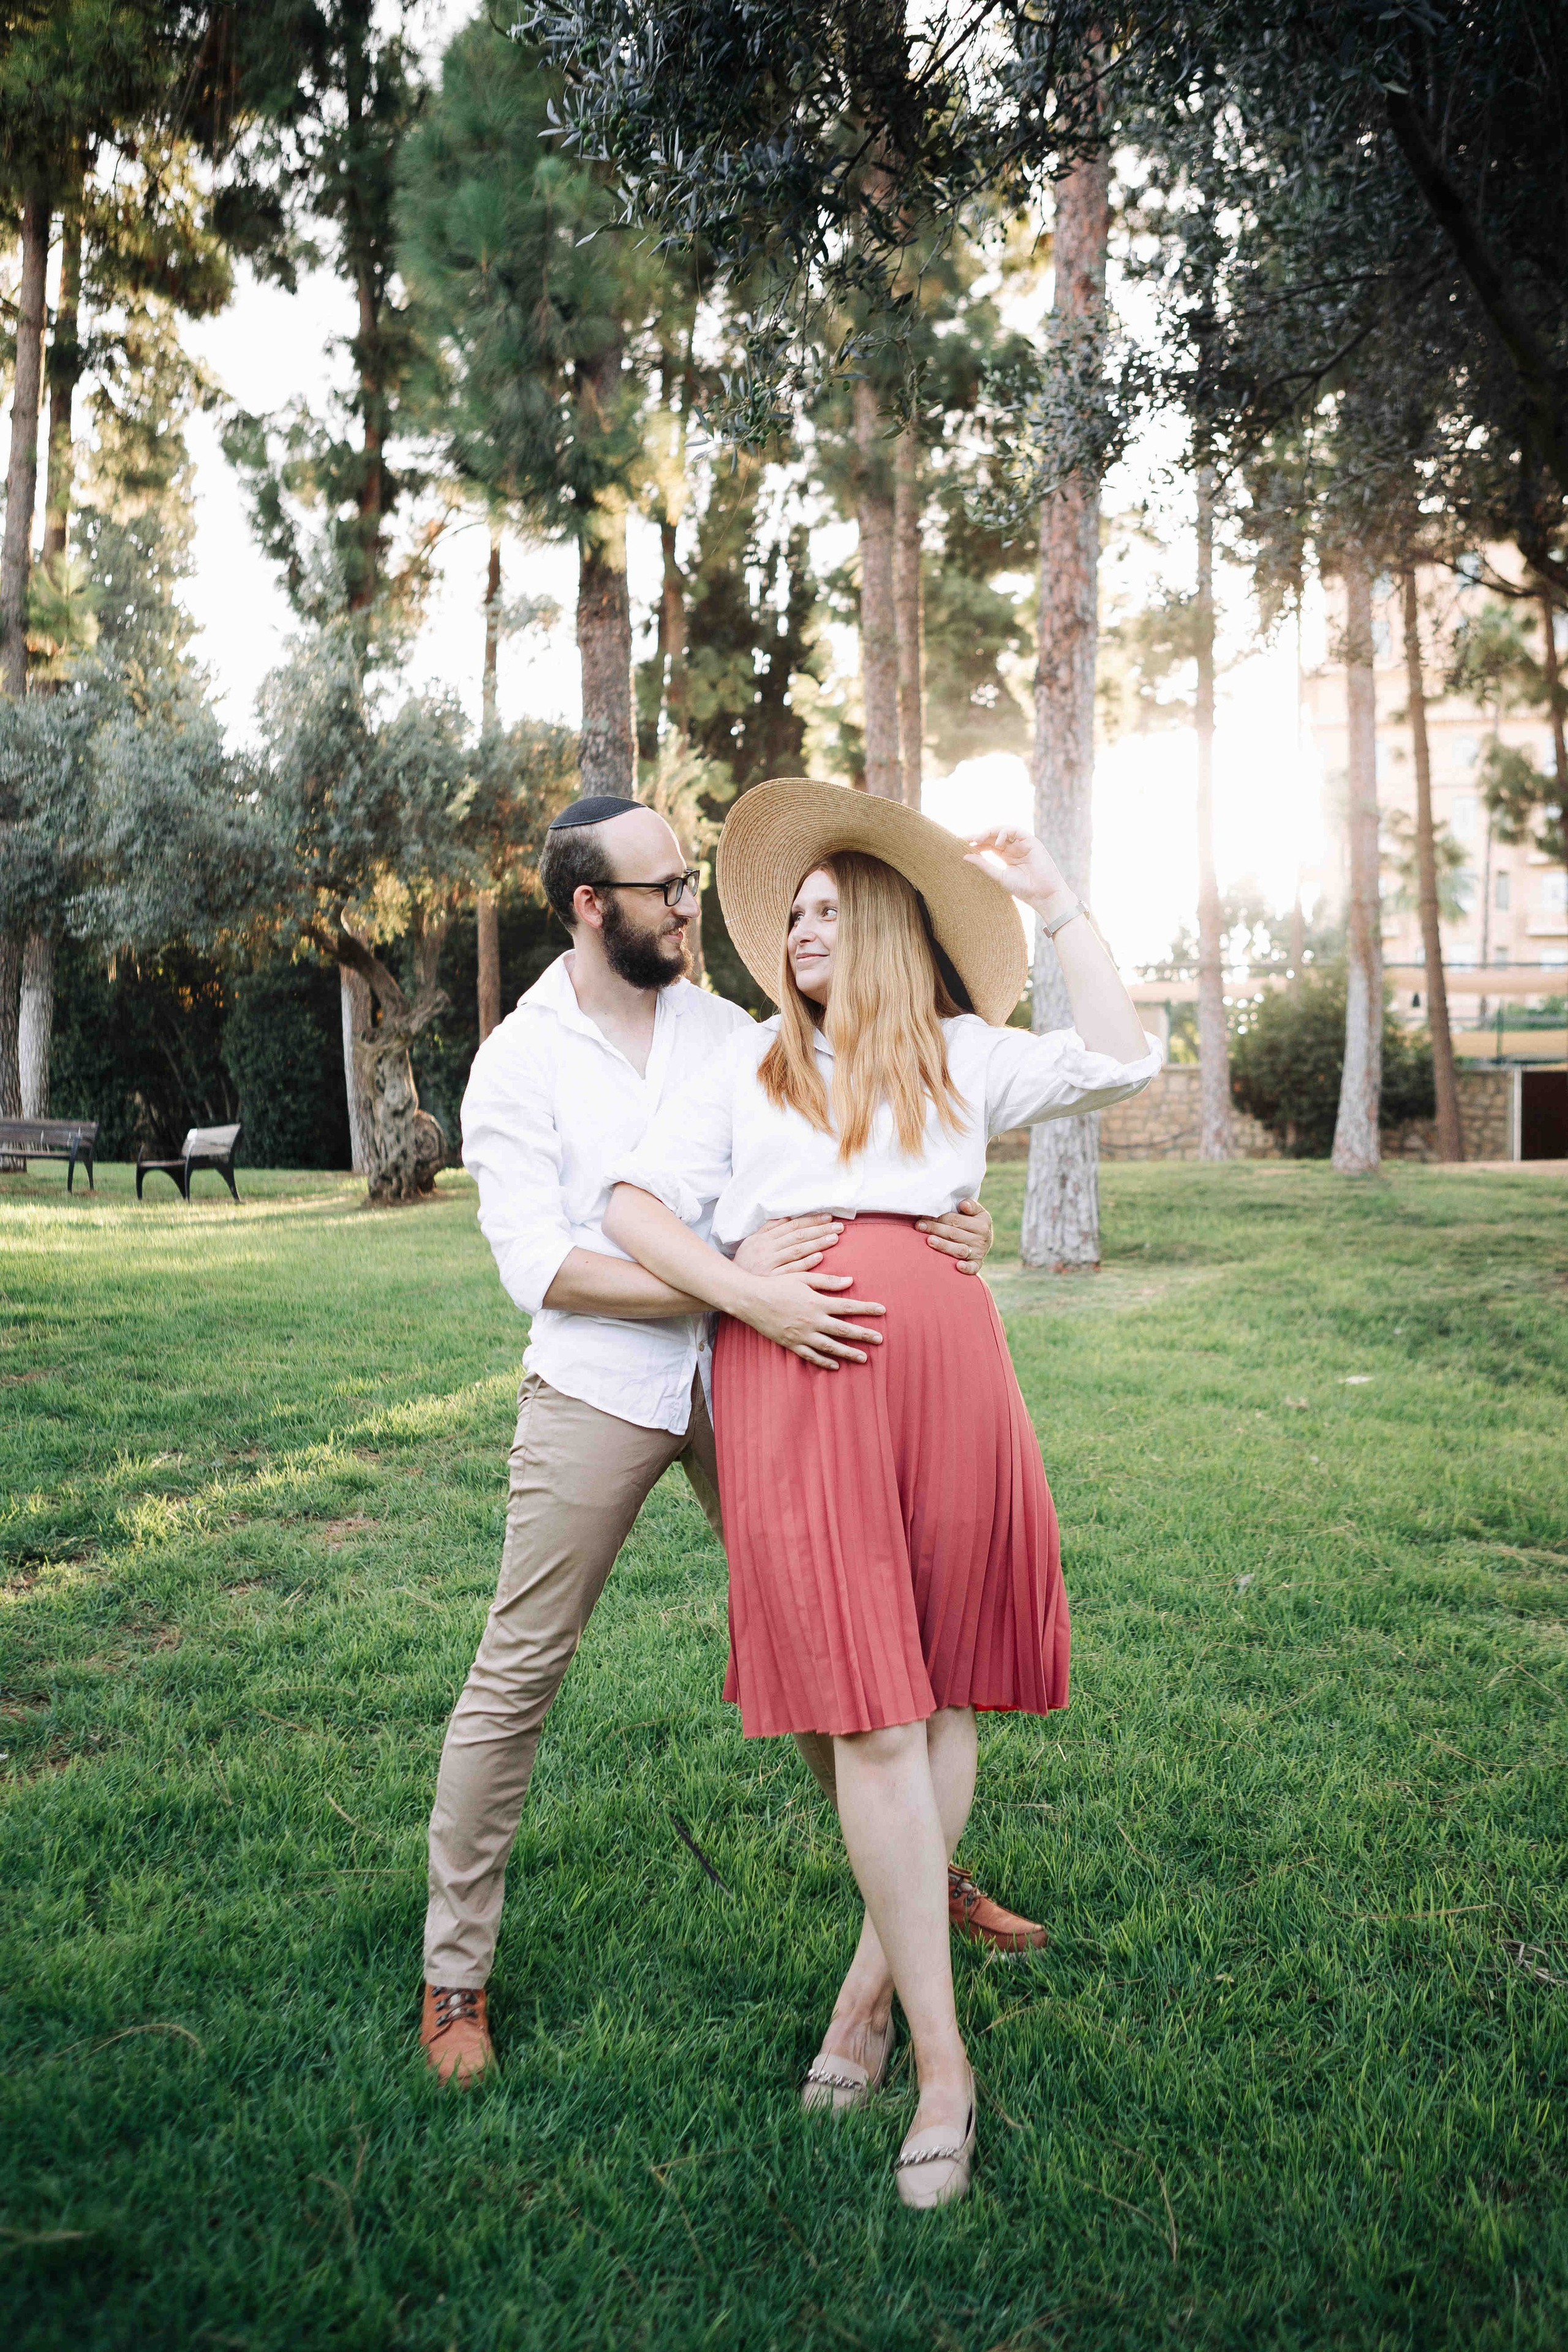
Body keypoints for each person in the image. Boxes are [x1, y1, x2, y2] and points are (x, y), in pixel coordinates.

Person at [420, 792, 1046, 2090]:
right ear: (589, 906)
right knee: (518, 1670)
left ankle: (919, 1883)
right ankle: (454, 1972)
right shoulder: (517, 1061)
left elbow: (865, 1133)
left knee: (838, 1646)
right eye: (661, 891)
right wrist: (731, 1284)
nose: (689, 908)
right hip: (603, 1385)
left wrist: (952, 1212)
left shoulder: (728, 1030)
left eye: (687, 883)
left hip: (767, 1379)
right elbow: (543, 1265)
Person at [603, 779, 1161, 2208]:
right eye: (789, 912)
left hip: (949, 1381)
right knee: (868, 1707)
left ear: (892, 933)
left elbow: (1121, 1058)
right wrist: (748, 1291)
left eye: (829, 911)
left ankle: (869, 2001)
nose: (800, 930)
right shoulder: (748, 1070)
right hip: (797, 1382)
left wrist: (1055, 899)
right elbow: (632, 1207)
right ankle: (943, 2066)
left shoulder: (959, 1058)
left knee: (946, 1685)